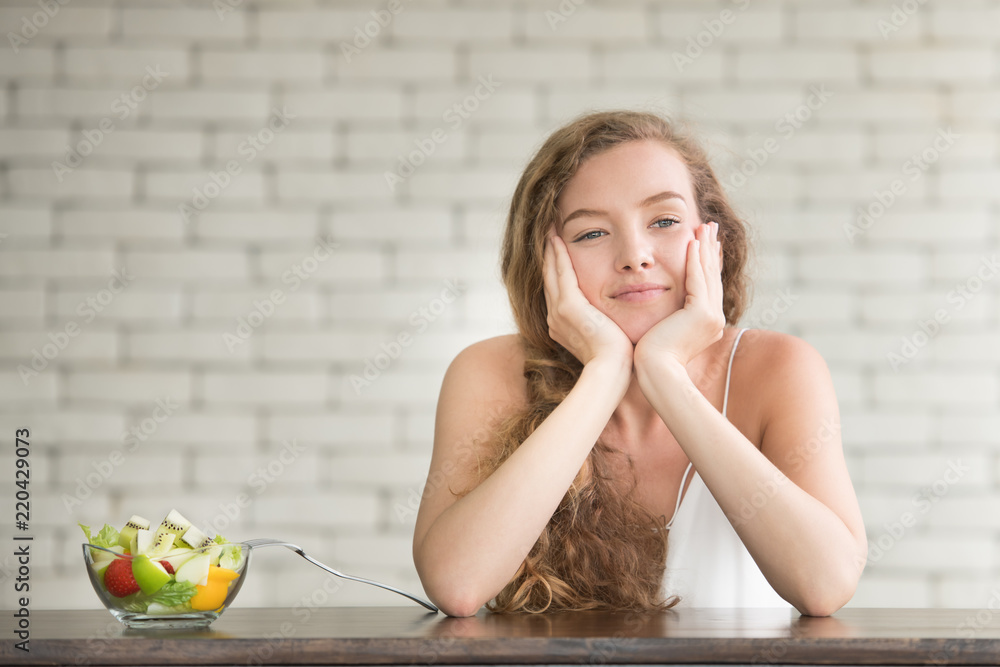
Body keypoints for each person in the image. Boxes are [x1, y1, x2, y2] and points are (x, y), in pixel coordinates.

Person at [412, 109, 867, 617]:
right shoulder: (488, 371)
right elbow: (456, 584)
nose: (635, 255)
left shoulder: (780, 367)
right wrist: (603, 374)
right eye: (591, 233)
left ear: (712, 238)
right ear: (543, 260)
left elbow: (825, 585)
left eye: (664, 221)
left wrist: (664, 375)